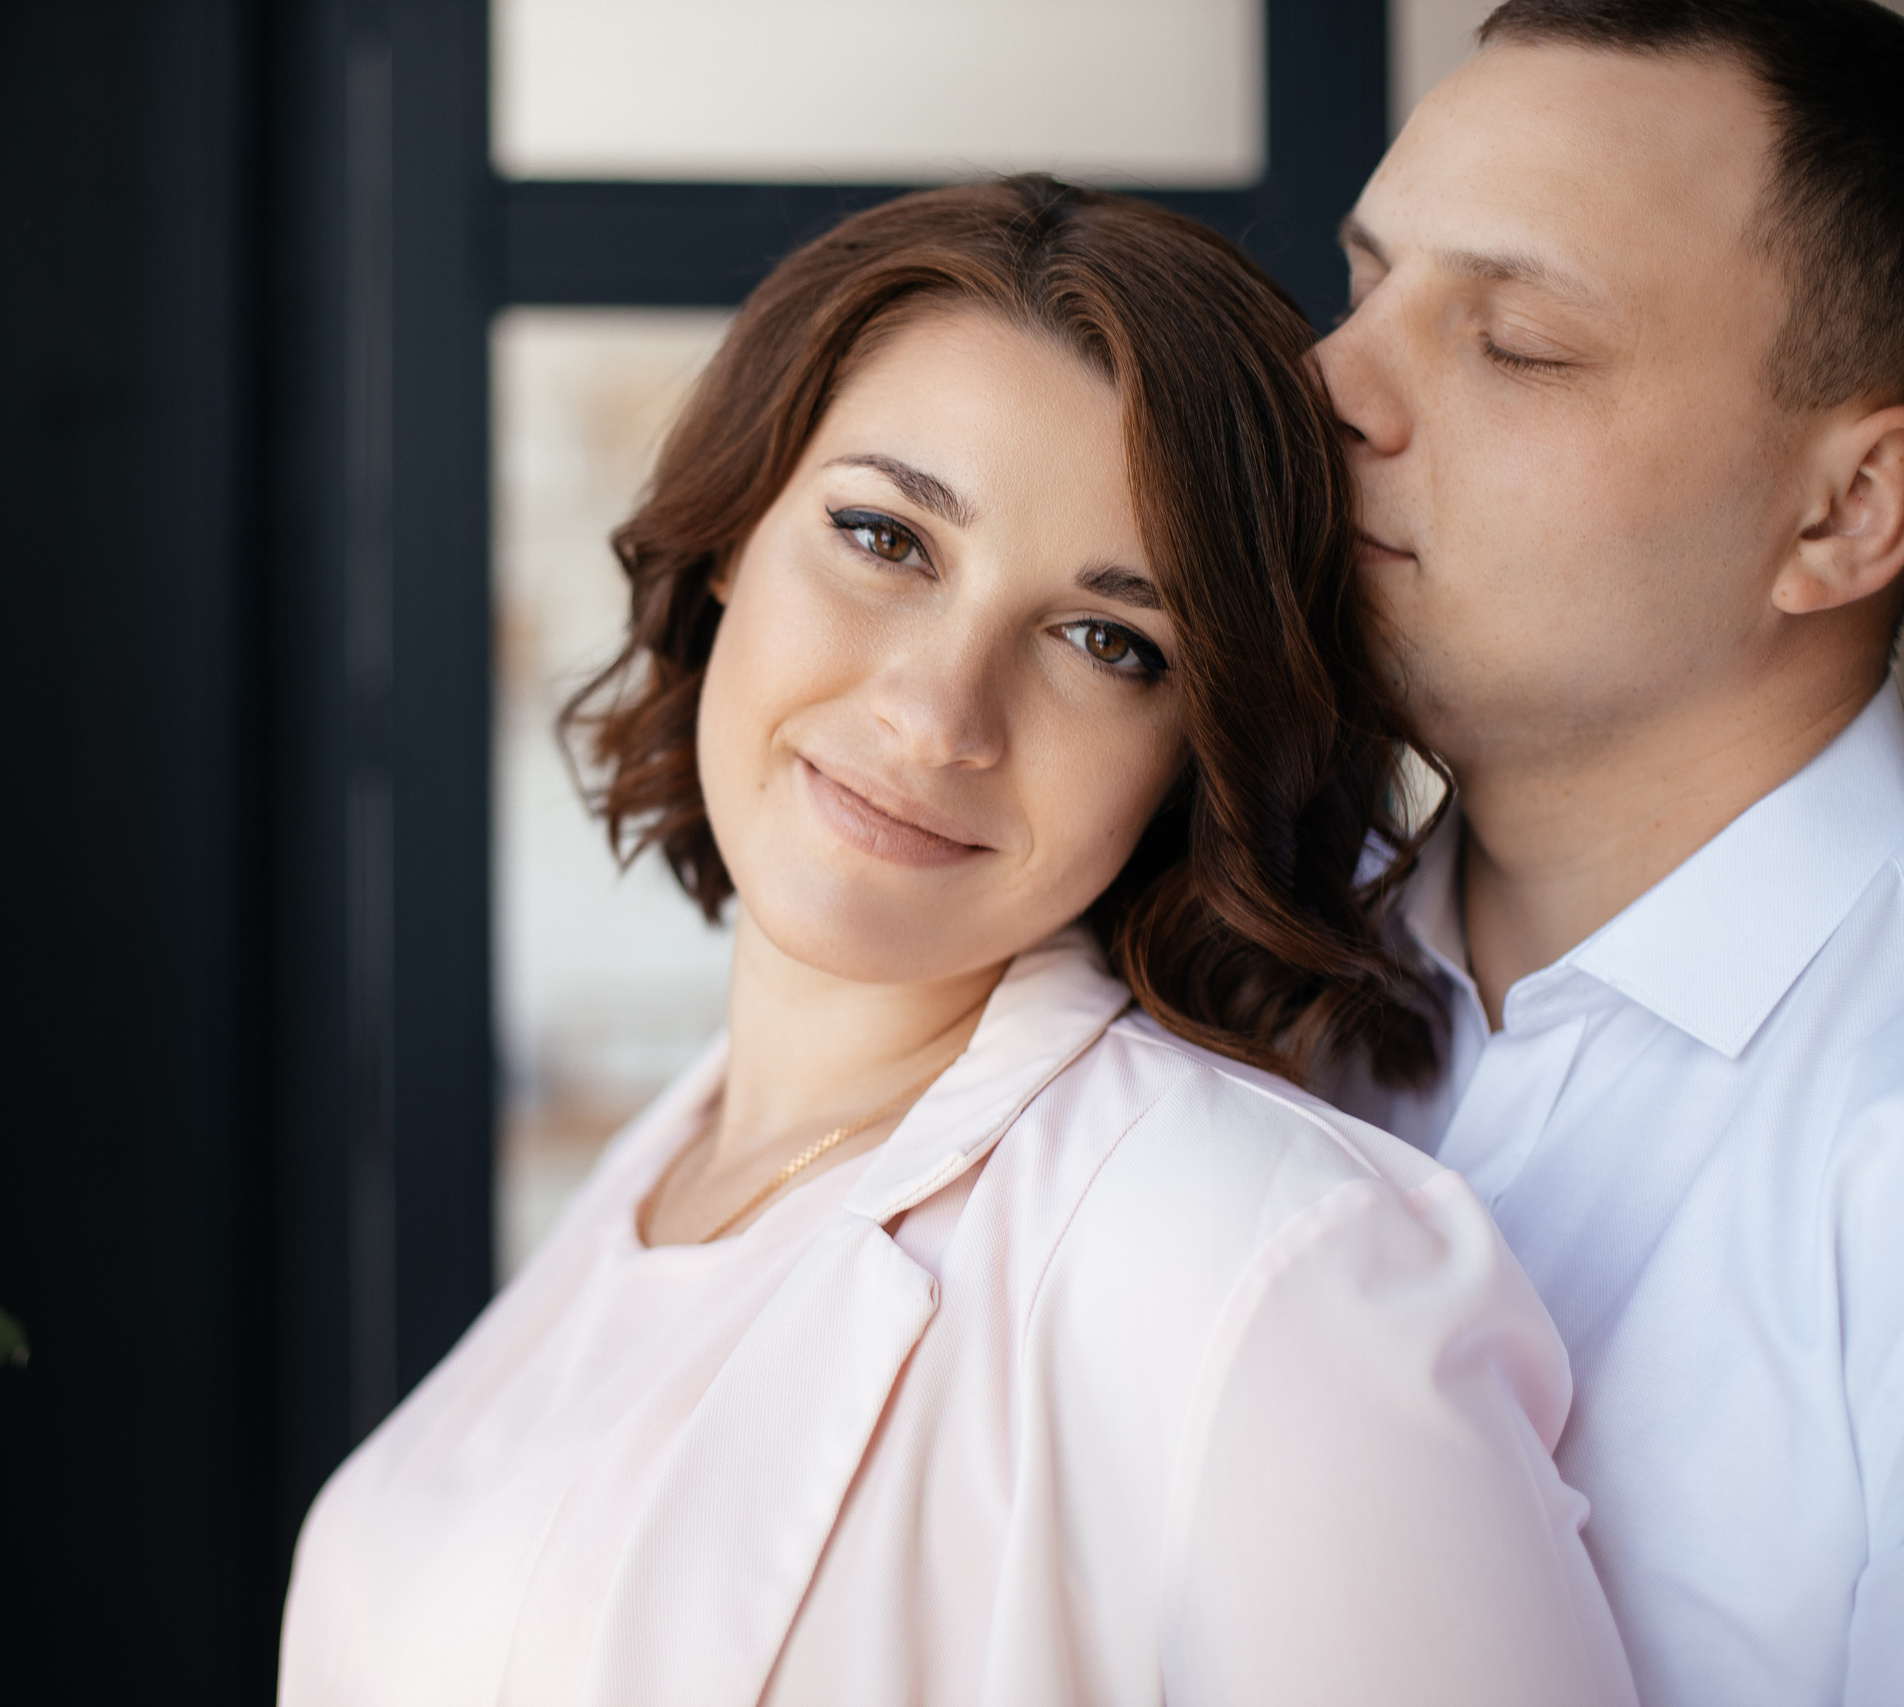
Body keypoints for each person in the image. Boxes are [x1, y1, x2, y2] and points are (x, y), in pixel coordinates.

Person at [278, 177, 1634, 1705]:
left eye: (1110, 643)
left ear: (1197, 750)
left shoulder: (1261, 1263)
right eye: (885, 537)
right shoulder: (676, 1169)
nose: (936, 715)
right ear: (737, 533)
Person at [1315, 4, 1904, 1703]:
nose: (1329, 387)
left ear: (1845, 511)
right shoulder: (1236, 976)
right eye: (1363, 288)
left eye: (1514, 341)